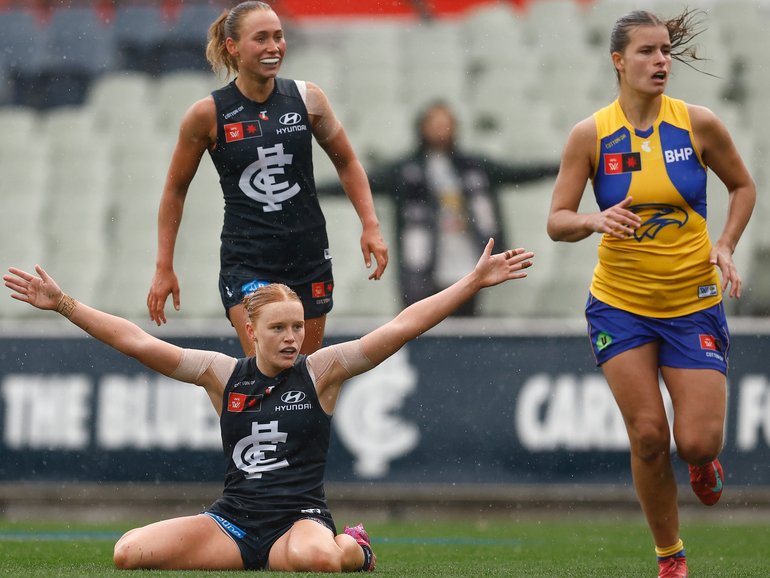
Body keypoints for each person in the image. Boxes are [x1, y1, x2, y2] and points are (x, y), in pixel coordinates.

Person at [4, 239, 534, 572]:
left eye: (298, 327)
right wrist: (65, 305)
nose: (291, 337)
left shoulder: (322, 371)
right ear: (250, 330)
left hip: (298, 521)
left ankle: (355, 546)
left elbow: (401, 326)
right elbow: (139, 343)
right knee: (127, 553)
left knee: (318, 559)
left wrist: (472, 282)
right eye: (278, 328)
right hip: (233, 524)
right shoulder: (222, 374)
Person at [546, 9, 755, 578]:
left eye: (665, 50)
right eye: (646, 51)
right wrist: (593, 220)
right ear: (619, 61)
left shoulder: (698, 124)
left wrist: (727, 245)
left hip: (692, 303)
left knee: (696, 442)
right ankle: (671, 556)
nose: (661, 60)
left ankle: (703, 463)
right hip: (620, 304)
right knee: (645, 435)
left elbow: (742, 186)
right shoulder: (591, 134)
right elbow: (556, 221)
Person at [146, 1, 388, 356]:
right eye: (261, 38)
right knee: (269, 369)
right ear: (233, 47)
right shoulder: (207, 115)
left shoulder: (307, 99)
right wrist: (164, 266)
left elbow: (348, 162)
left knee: (303, 380)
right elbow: (175, 190)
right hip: (248, 261)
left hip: (307, 255)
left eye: (279, 36)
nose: (274, 47)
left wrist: (370, 224)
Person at [365, 101, 557, 315]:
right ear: (422, 127)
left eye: (447, 123)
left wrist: (568, 165)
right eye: (435, 123)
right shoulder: (405, 170)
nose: (441, 128)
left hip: (466, 261)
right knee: (419, 322)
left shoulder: (473, 167)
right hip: (421, 262)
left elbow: (517, 173)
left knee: (463, 329)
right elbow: (360, 183)